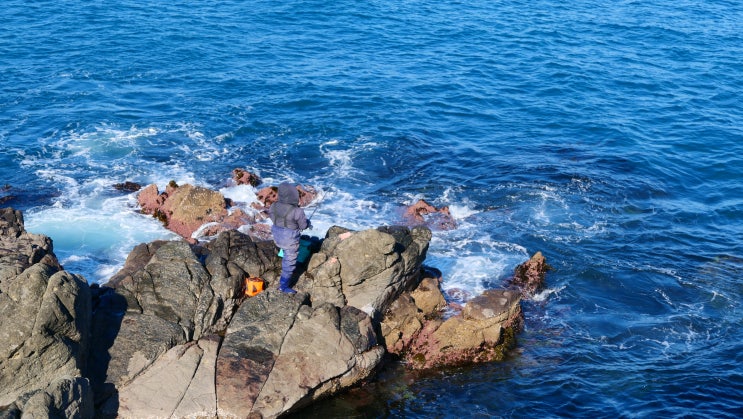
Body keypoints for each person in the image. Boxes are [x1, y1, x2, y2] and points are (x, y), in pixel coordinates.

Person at [269, 182, 311, 293]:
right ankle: (283, 286)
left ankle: (282, 253)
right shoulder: (298, 211)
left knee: (283, 247)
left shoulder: (273, 206)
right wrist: (308, 223)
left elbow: (272, 217)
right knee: (289, 262)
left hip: (276, 235)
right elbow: (303, 226)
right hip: (289, 240)